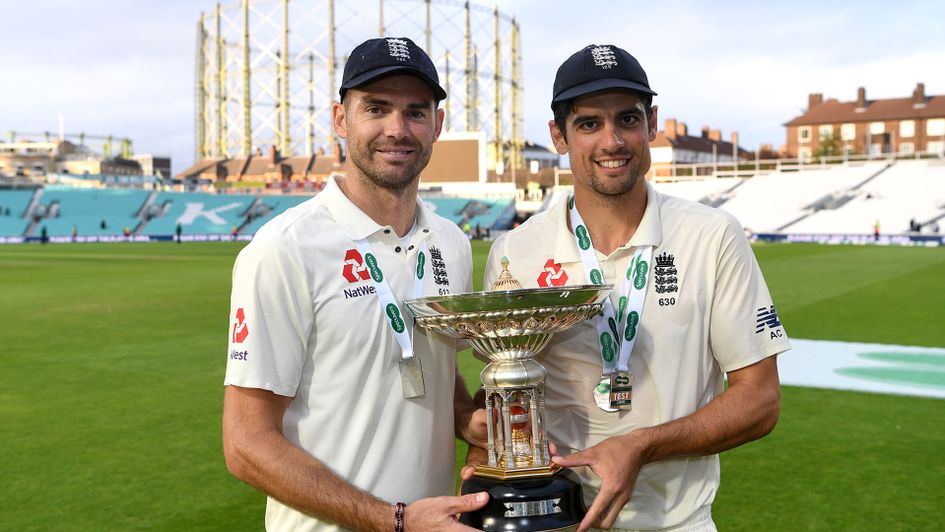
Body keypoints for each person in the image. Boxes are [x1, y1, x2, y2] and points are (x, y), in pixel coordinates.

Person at [466, 44, 790, 531]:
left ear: (652, 123)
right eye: (589, 123)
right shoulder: (515, 251)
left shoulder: (712, 235)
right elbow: (503, 381)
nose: (612, 141)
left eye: (628, 119)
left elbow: (760, 400)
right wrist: (481, 457)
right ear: (558, 135)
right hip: (552, 521)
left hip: (676, 523)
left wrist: (641, 446)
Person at [222, 36, 489, 531]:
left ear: (437, 125)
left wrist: (460, 416)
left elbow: (435, 362)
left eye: (415, 112)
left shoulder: (451, 243)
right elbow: (246, 444)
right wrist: (394, 520)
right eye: (376, 108)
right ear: (341, 120)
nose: (397, 129)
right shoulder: (284, 248)